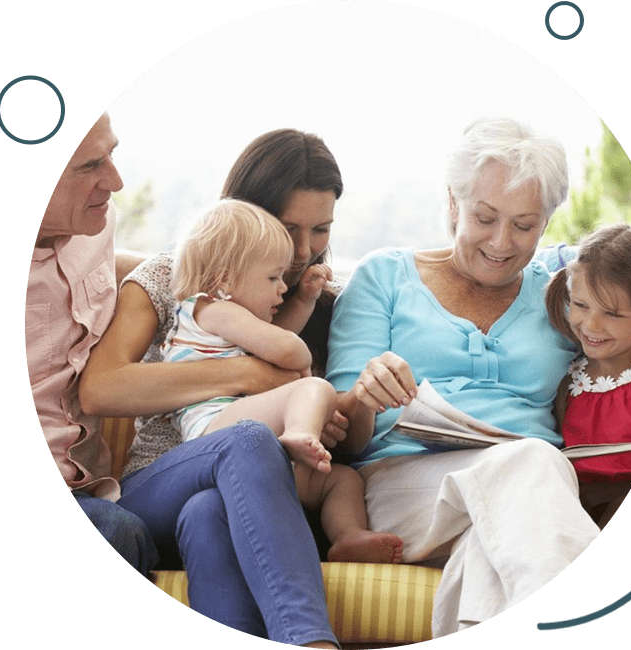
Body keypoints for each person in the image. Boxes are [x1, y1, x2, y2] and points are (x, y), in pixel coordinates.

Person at [325, 117, 602, 637]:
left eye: (524, 225)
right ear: (452, 203)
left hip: (528, 500)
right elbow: (343, 439)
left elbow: (630, 337)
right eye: (485, 217)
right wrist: (364, 394)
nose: (501, 242)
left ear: (546, 223)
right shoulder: (384, 277)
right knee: (532, 461)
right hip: (403, 488)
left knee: (489, 549)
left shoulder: (561, 295)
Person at [79, 129, 348, 645]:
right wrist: (248, 375)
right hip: (155, 486)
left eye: (320, 230)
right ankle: (311, 640)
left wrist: (335, 414)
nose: (300, 250)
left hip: (247, 505)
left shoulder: (314, 298)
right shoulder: (171, 278)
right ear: (246, 210)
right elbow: (101, 388)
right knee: (247, 439)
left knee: (209, 512)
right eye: (288, 226)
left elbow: (323, 414)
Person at [163, 198, 403, 562]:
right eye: (273, 278)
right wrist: (305, 374)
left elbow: (273, 339)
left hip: (257, 446)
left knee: (342, 480)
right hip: (214, 433)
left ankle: (349, 536)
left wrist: (306, 299)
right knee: (315, 387)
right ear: (226, 280)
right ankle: (299, 434)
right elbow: (286, 348)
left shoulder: (235, 324)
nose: (281, 288)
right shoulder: (211, 309)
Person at [26, 114, 158, 575]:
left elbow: (124, 271)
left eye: (112, 155)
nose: (116, 182)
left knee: (122, 529)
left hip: (89, 489)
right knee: (114, 534)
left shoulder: (95, 225)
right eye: (90, 167)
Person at [545, 224, 631, 529]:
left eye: (612, 314)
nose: (591, 325)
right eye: (580, 305)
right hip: (580, 515)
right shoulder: (569, 383)